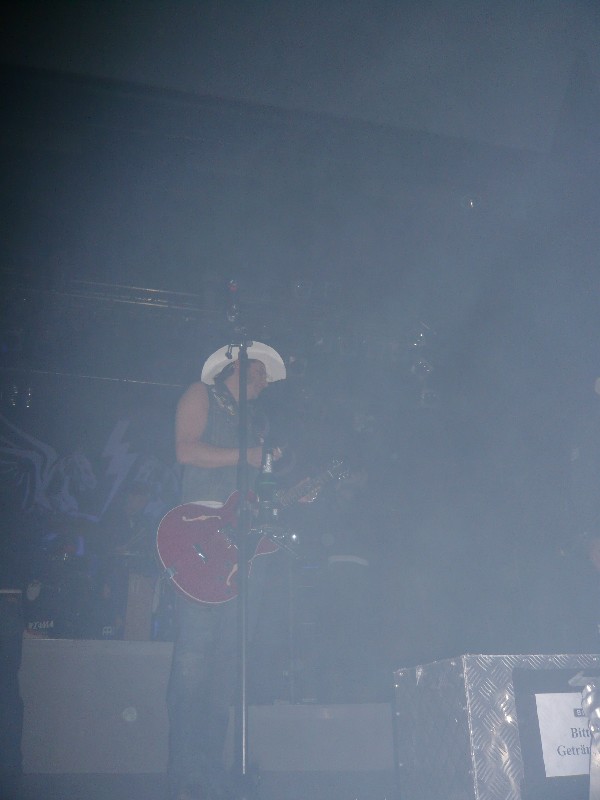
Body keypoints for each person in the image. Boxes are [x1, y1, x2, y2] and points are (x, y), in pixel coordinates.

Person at [166, 342, 286, 800]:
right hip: (198, 543)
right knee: (194, 659)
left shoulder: (257, 424)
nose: (265, 383)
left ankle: (210, 772)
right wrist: (246, 456)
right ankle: (184, 775)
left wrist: (283, 496)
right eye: (261, 373)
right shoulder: (200, 394)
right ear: (239, 366)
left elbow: (253, 491)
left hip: (240, 552)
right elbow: (185, 451)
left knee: (227, 666)